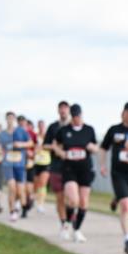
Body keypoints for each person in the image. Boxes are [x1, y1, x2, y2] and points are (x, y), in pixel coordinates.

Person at [100, 102, 128, 254]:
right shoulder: (114, 130)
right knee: (125, 205)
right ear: (123, 113)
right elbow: (103, 148)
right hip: (119, 174)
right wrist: (102, 165)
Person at [52, 103, 99, 242]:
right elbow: (55, 145)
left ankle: (77, 229)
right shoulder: (64, 130)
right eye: (74, 116)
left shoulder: (89, 130)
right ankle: (66, 223)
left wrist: (92, 147)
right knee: (73, 200)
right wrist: (61, 153)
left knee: (83, 202)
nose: (76, 118)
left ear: (81, 115)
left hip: (85, 169)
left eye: (78, 116)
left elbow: (96, 147)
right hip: (69, 169)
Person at [42, 101, 72, 234]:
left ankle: (71, 219)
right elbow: (45, 145)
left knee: (71, 197)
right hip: (56, 165)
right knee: (60, 197)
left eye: (65, 108)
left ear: (69, 110)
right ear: (58, 111)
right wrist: (55, 147)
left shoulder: (74, 126)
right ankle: (64, 223)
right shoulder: (53, 127)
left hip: (72, 167)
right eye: (61, 109)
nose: (63, 111)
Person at [0, 111, 32, 222]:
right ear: (6, 119)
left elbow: (30, 143)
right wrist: (0, 151)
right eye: (8, 118)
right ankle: (12, 212)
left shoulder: (21, 131)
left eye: (12, 118)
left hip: (20, 165)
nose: (10, 120)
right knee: (12, 187)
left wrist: (21, 144)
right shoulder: (2, 134)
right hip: (8, 165)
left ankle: (21, 205)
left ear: (15, 120)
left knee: (20, 190)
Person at [32, 119, 51, 213]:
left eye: (42, 126)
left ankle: (41, 203)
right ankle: (33, 197)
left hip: (46, 162)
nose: (41, 127)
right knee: (36, 184)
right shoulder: (35, 136)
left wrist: (43, 147)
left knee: (43, 183)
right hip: (36, 162)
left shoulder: (48, 137)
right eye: (39, 126)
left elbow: (52, 148)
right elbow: (32, 147)